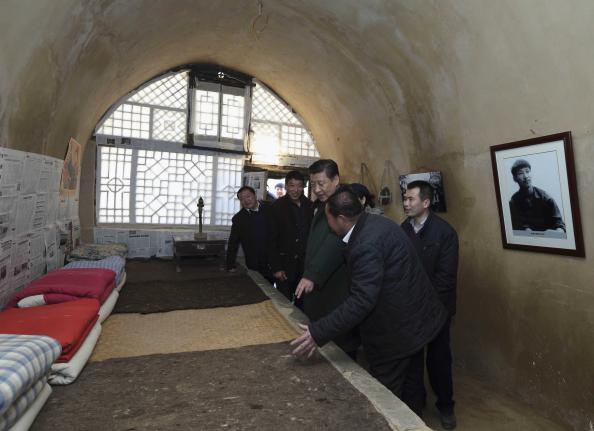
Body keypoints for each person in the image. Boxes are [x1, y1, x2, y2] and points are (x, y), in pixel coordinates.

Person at [291, 186, 448, 417]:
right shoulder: (374, 223)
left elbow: (362, 300)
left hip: (400, 330)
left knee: (384, 398)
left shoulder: (366, 244)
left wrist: (318, 332)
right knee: (412, 386)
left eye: (328, 218)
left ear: (341, 219)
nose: (327, 224)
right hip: (416, 322)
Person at [401, 180, 459, 430]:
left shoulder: (445, 233)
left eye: (410, 199)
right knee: (412, 358)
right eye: (405, 198)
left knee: (439, 359)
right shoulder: (404, 228)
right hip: (409, 307)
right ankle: (416, 402)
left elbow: (445, 279)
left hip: (436, 309)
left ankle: (446, 406)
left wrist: (424, 305)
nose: (406, 203)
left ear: (425, 202)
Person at [294, 159, 359, 359]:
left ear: (336, 180)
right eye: (313, 184)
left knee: (340, 341)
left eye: (321, 183)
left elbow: (335, 241)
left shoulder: (343, 203)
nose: (316, 189)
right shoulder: (324, 204)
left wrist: (312, 274)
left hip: (336, 282)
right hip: (321, 281)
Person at [268, 171, 314, 306]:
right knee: (284, 303)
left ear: (303, 187)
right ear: (286, 186)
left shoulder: (310, 206)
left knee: (303, 304)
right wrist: (276, 267)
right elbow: (271, 240)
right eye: (292, 185)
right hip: (284, 265)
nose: (296, 189)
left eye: (299, 186)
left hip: (304, 266)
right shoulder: (277, 207)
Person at [226, 186, 273, 283]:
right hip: (254, 263)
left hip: (273, 261)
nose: (246, 201)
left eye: (248, 196)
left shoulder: (270, 208)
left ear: (255, 195)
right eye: (242, 199)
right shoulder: (238, 219)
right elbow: (233, 243)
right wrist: (230, 265)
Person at [508, 159, 565, 232]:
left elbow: (561, 226)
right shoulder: (513, 202)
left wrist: (555, 232)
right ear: (514, 178)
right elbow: (515, 227)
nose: (526, 176)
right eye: (520, 173)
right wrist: (525, 230)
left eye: (527, 171)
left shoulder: (546, 199)